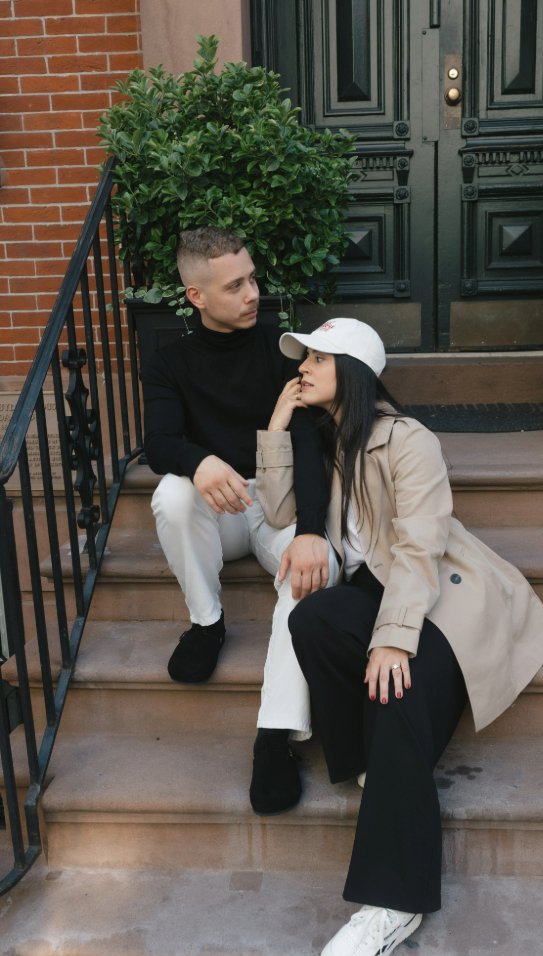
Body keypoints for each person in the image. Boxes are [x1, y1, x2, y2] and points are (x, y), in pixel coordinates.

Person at [255, 317, 543, 956]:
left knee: (393, 689)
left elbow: (421, 546)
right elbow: (281, 517)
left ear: (354, 373)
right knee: (310, 622)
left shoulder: (406, 439)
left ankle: (394, 901)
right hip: (380, 587)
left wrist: (392, 642)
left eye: (316, 357)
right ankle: (369, 759)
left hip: (446, 602)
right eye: (300, 356)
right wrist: (277, 426)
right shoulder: (329, 438)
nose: (301, 366)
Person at [140, 227, 338, 816]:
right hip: (219, 514)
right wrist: (197, 462)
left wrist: (309, 529)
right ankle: (208, 623)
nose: (253, 293)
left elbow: (308, 445)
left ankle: (274, 737)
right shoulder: (170, 361)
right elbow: (158, 443)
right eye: (236, 285)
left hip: (276, 505)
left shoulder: (282, 351)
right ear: (197, 296)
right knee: (172, 495)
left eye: (252, 278)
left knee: (315, 573)